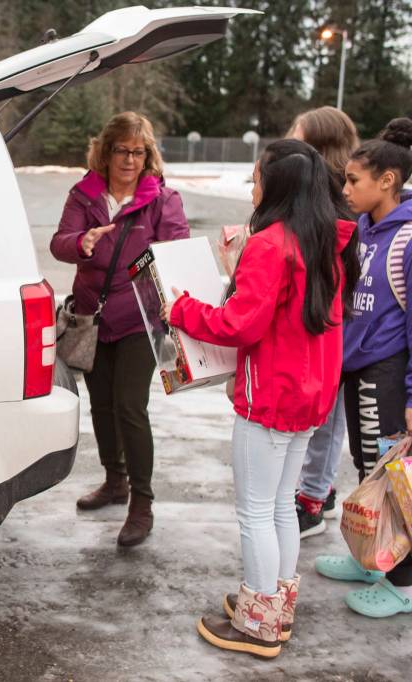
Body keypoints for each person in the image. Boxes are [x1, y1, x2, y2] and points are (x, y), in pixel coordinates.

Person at [163, 139, 357, 658]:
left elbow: (239, 324)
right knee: (279, 508)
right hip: (308, 396)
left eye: (256, 179)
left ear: (277, 187)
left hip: (271, 397)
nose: (251, 189)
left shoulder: (272, 245)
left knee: (255, 511)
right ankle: (274, 602)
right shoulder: (324, 241)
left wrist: (182, 309)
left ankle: (258, 624)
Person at [50, 111, 189, 547]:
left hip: (139, 321)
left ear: (148, 156)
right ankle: (115, 481)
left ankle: (141, 504)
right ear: (105, 153)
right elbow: (60, 242)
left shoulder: (162, 200)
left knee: (130, 406)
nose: (130, 159)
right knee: (102, 406)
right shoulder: (84, 195)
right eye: (121, 150)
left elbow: (178, 251)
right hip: (92, 317)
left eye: (138, 151)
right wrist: (81, 243)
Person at [314, 117, 412, 618]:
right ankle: (374, 558)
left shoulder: (407, 236)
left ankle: (403, 583)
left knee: (395, 476)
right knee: (368, 468)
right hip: (357, 370)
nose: (345, 188)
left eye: (354, 181)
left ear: (387, 181)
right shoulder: (364, 231)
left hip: (389, 373)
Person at [286, 107, 361, 538]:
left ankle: (313, 498)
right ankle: (318, 490)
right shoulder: (315, 190)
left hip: (336, 319)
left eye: (299, 136)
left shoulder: (341, 197)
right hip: (322, 316)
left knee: (327, 416)